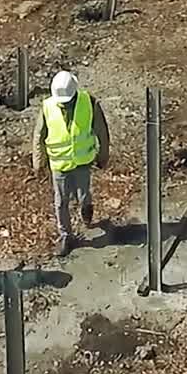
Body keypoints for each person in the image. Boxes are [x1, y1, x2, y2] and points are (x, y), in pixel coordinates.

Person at [33, 71, 111, 256]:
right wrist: (38, 162)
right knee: (61, 202)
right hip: (59, 164)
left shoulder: (89, 103)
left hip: (82, 161)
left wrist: (103, 156)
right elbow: (39, 135)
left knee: (83, 194)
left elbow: (101, 131)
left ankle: (87, 208)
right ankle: (65, 236)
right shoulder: (47, 107)